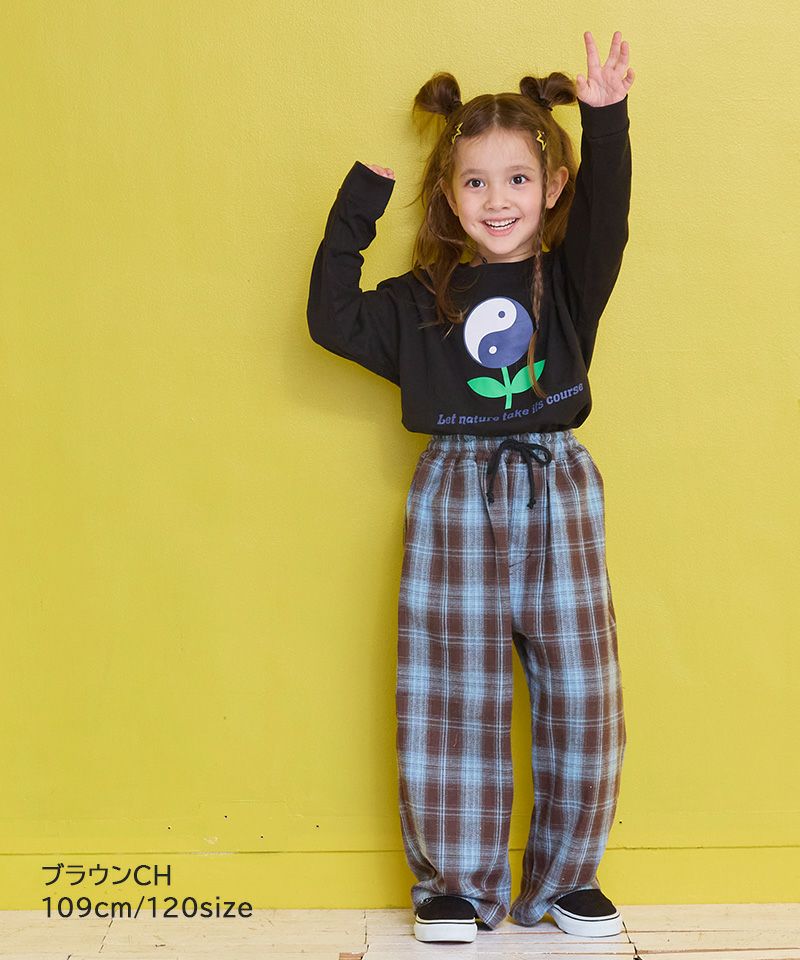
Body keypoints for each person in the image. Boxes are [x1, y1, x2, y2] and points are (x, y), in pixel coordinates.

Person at [306, 30, 635, 946]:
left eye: (518, 179)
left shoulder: (569, 282)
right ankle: (454, 885)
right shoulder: (419, 300)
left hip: (557, 486)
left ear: (553, 187)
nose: (498, 199)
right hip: (455, 494)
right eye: (477, 182)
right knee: (453, 688)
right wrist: (357, 205)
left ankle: (567, 879)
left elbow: (609, 217)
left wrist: (606, 118)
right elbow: (331, 319)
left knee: (583, 692)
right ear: (449, 195)